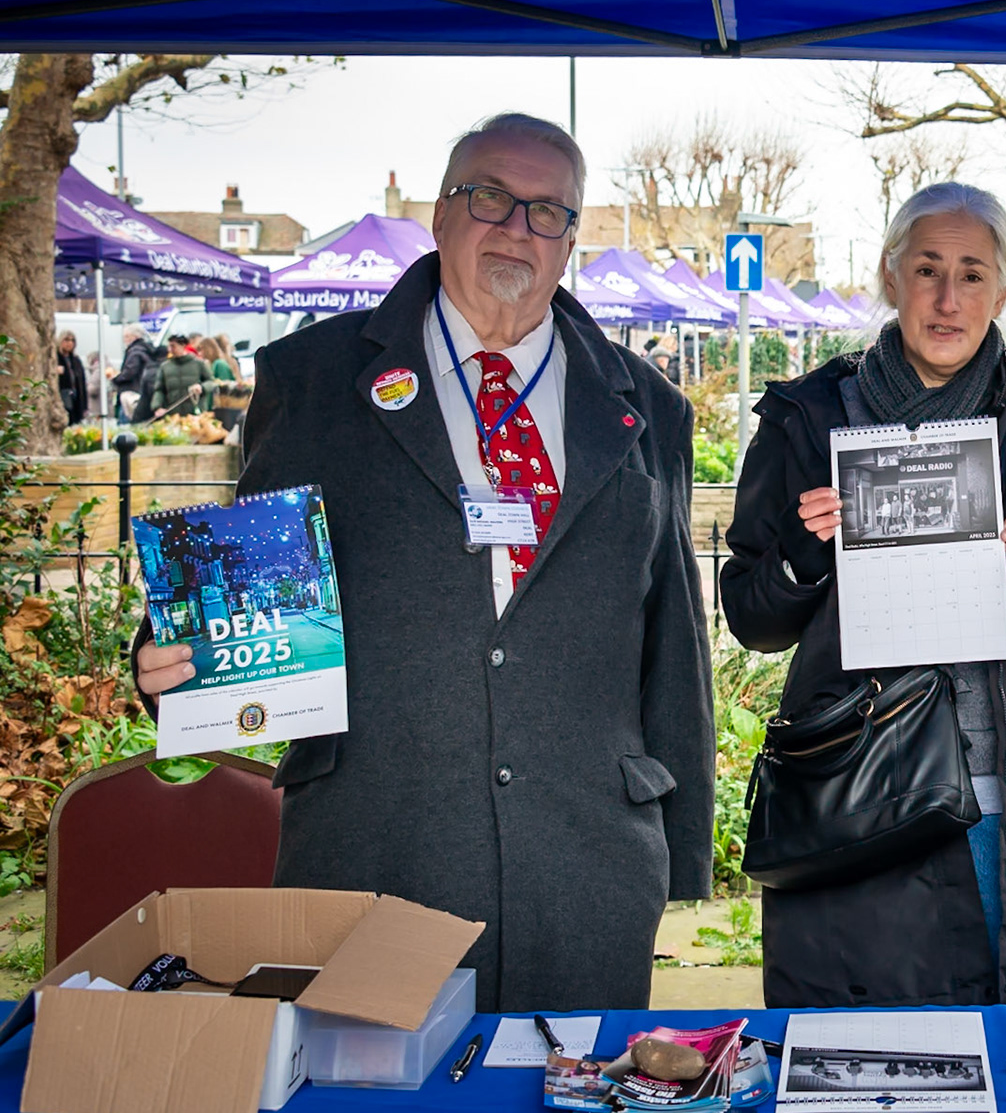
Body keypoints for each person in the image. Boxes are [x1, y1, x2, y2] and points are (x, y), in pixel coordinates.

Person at [131, 111, 715, 1013]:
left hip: (588, 867)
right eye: (490, 198)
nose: (517, 228)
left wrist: (681, 844)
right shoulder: (318, 378)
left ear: (572, 241)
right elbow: (248, 572)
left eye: (548, 212)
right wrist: (174, 658)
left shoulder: (649, 407)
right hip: (376, 845)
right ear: (440, 215)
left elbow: (675, 642)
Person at [722, 182, 1006, 1008]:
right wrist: (801, 560)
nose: (948, 298)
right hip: (861, 806)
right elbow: (749, 612)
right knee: (869, 1067)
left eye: (971, 273)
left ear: (1002, 289)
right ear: (891, 277)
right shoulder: (807, 418)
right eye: (927, 270)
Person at [149, 334, 215, 417]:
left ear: (183, 345)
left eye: (173, 346)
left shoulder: (198, 364)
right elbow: (159, 390)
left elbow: (211, 382)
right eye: (169, 346)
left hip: (195, 413)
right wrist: (157, 407)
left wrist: (202, 387)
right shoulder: (164, 367)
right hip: (173, 414)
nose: (170, 350)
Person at [111, 325, 159, 422]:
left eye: (127, 336)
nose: (125, 340)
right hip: (143, 391)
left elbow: (130, 372)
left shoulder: (135, 351)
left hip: (131, 392)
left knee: (127, 421)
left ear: (134, 337)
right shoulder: (147, 349)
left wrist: (116, 378)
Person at [55, 331, 88, 425]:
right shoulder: (56, 358)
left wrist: (84, 405)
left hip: (76, 397)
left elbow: (82, 383)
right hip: (62, 397)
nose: (69, 343)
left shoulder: (75, 360)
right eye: (66, 340)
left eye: (72, 340)